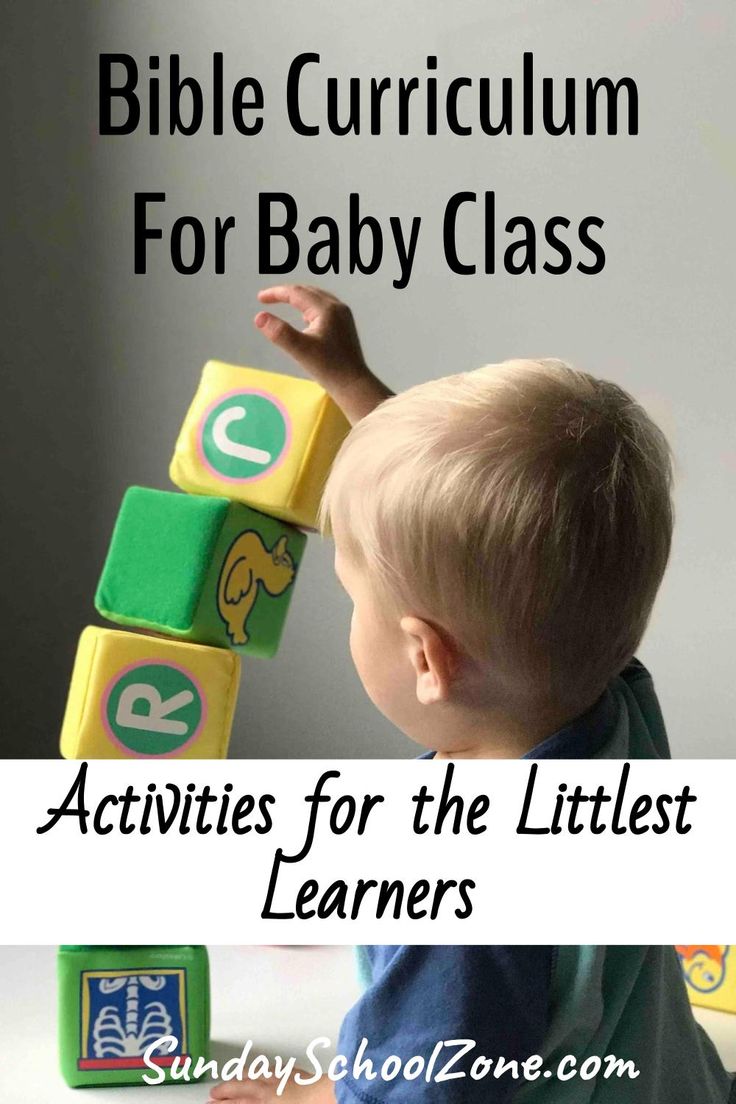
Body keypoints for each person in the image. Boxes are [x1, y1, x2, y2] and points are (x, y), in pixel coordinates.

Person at [206, 285, 733, 1102]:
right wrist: (357, 392)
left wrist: (310, 1095)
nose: (353, 610)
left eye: (355, 598)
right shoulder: (611, 706)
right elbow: (502, 553)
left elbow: (428, 1087)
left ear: (426, 656)